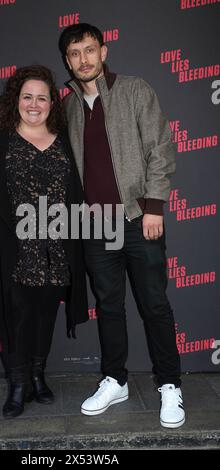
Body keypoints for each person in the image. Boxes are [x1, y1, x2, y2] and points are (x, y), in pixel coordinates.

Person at [58, 23, 185, 428]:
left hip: (137, 219)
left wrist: (153, 206)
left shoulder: (134, 90)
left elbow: (160, 148)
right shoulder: (68, 107)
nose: (84, 59)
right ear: (68, 60)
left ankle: (170, 385)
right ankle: (116, 380)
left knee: (155, 305)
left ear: (104, 51)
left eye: (90, 50)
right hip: (96, 228)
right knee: (109, 308)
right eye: (75, 53)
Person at [0, 65, 88, 419]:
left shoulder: (65, 140)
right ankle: (17, 386)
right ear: (16, 100)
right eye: (27, 96)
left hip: (56, 250)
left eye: (41, 97)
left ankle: (37, 377)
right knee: (15, 319)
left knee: (45, 316)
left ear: (51, 104)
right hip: (12, 250)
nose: (34, 104)